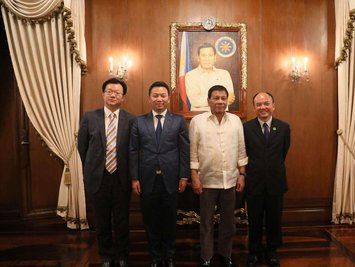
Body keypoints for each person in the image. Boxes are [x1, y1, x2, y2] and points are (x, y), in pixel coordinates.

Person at [129, 81, 190, 267]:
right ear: (149, 99)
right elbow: (133, 151)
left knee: (170, 220)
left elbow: (184, 150)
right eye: (155, 95)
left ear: (168, 98)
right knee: (150, 220)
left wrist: (184, 176)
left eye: (163, 95)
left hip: (171, 178)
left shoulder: (178, 121)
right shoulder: (138, 121)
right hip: (146, 179)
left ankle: (170, 255)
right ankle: (155, 256)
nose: (159, 99)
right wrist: (134, 178)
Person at [77, 78, 136, 267]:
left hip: (121, 177)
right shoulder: (89, 117)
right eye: (109, 91)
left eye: (117, 92)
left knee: (121, 219)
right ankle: (106, 255)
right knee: (101, 220)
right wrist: (92, 169)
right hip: (98, 177)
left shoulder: (131, 120)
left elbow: (134, 150)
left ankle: (122, 255)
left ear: (123, 97)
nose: (112, 95)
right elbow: (82, 147)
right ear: (103, 94)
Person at [189, 85, 248, 267]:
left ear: (227, 101)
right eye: (216, 98)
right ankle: (206, 256)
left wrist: (241, 174)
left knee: (228, 222)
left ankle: (225, 254)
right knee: (206, 221)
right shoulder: (197, 121)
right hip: (206, 181)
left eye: (223, 98)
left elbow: (241, 150)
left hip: (230, 180)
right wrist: (195, 177)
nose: (220, 101)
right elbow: (193, 153)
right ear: (208, 101)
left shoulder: (236, 121)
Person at [243, 92, 291, 267]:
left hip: (276, 182)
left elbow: (283, 152)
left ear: (273, 105)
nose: (263, 107)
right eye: (259, 104)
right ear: (254, 107)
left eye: (266, 103)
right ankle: (254, 252)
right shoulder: (246, 128)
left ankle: (272, 250)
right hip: (254, 182)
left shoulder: (284, 127)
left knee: (274, 219)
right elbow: (244, 153)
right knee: (254, 219)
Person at [185, 43, 235, 111]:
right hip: (199, 117)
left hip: (222, 116)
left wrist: (207, 100)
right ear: (198, 58)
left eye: (210, 55)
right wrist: (221, 99)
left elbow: (230, 98)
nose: (207, 59)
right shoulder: (190, 75)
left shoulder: (224, 74)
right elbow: (195, 101)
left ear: (215, 57)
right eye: (203, 55)